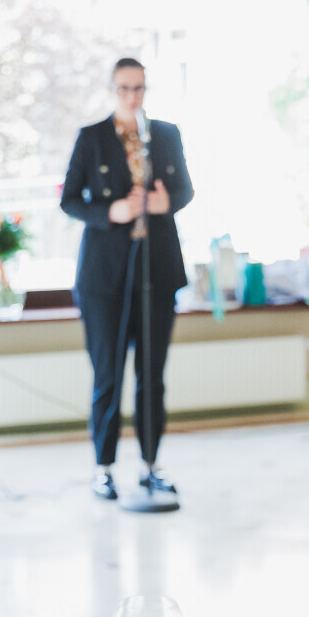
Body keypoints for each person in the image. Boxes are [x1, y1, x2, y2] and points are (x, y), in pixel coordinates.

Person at [61, 57, 194, 500]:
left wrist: (164, 204)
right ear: (112, 89)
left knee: (152, 376)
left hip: (157, 272)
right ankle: (103, 468)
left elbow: (185, 190)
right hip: (104, 279)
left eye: (139, 88)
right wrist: (110, 212)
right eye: (124, 88)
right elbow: (69, 200)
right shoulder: (92, 137)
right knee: (108, 376)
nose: (132, 96)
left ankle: (151, 465)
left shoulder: (165, 135)